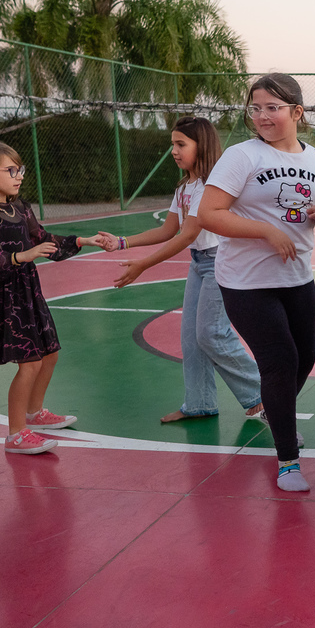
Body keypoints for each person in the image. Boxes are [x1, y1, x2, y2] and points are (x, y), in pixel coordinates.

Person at [197, 74, 315, 493]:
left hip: (296, 276)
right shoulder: (242, 156)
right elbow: (210, 214)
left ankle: (276, 409)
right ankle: (288, 460)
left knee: (304, 358)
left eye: (272, 107)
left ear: (297, 112)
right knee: (280, 361)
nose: (262, 116)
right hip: (246, 282)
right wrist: (265, 232)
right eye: (255, 108)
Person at [0, 140, 107, 454]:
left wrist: (82, 240)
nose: (18, 175)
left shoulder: (19, 207)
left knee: (50, 354)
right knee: (30, 363)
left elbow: (43, 239)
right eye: (10, 170)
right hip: (0, 297)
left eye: (19, 169)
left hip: (26, 291)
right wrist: (21, 257)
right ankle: (15, 434)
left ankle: (35, 414)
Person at [110, 116, 264, 424]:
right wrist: (123, 241)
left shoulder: (210, 185)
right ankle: (199, 403)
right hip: (199, 263)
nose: (174, 151)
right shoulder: (186, 185)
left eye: (181, 144)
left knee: (211, 333)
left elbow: (188, 234)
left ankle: (263, 396)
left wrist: (143, 264)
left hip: (221, 260)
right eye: (172, 144)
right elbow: (169, 229)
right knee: (191, 338)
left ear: (201, 145)